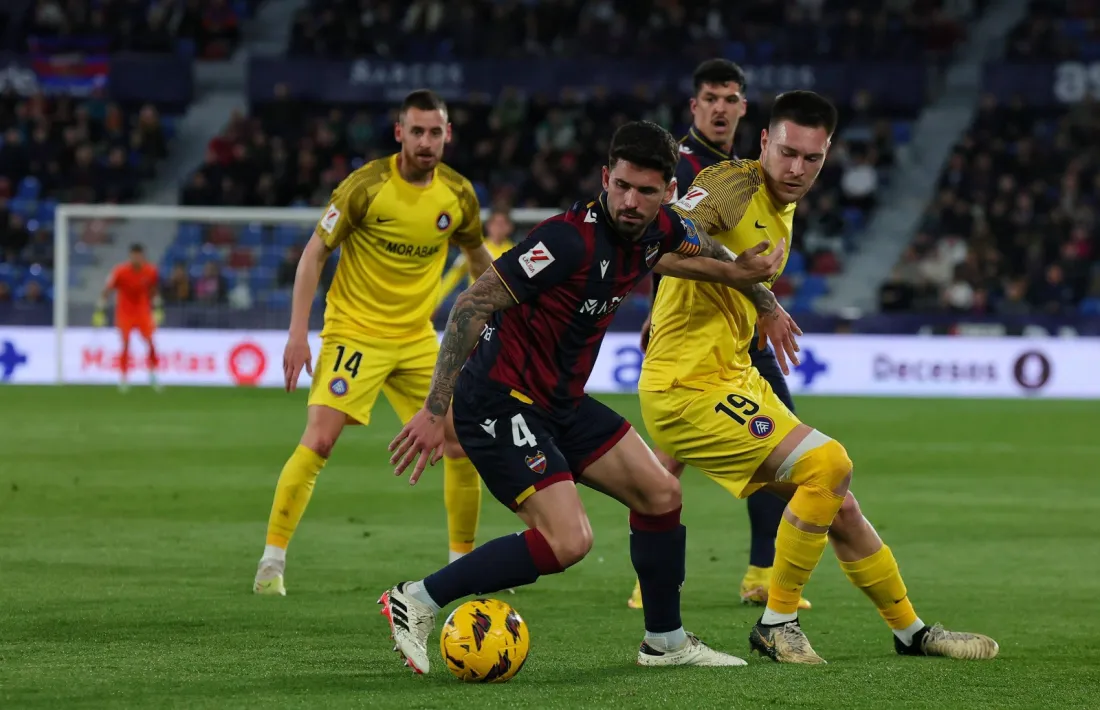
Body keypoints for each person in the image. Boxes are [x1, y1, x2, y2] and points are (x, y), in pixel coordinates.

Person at [377, 120, 793, 673]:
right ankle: (417, 598)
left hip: (561, 402)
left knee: (661, 493)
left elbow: (704, 248)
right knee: (569, 540)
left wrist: (756, 290)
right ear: (605, 177)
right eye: (621, 185)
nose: (630, 200)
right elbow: (471, 306)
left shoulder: (659, 229)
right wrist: (435, 411)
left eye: (646, 191)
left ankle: (665, 642)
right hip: (501, 401)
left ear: (667, 192)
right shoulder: (566, 239)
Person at [640, 90, 999, 663]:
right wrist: (740, 279)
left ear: (827, 154)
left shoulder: (784, 201)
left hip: (730, 376)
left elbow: (727, 270)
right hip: (686, 389)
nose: (797, 169)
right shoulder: (731, 184)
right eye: (786, 153)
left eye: (812, 158)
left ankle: (911, 631)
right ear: (764, 142)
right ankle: (776, 623)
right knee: (829, 462)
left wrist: (761, 300)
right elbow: (651, 243)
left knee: (837, 500)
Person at [253, 89, 494, 596]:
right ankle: (271, 563)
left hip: (416, 338)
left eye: (435, 132)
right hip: (354, 332)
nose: (426, 142)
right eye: (417, 131)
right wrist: (298, 333)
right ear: (399, 133)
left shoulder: (458, 195)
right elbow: (314, 254)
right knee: (319, 439)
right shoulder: (364, 187)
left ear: (447, 135)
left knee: (460, 440)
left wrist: (493, 319)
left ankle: (462, 567)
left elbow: (477, 260)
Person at [630, 58, 808, 611]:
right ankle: (652, 573)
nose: (720, 108)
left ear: (744, 108)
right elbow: (660, 240)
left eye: (730, 98)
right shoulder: (682, 165)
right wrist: (657, 311)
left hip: (743, 331)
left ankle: (759, 572)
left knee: (778, 445)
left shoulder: (753, 168)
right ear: (694, 106)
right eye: (711, 98)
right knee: (674, 460)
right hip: (695, 335)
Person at [94, 243, 162, 393]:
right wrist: (100, 309)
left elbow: (153, 289)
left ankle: (153, 374)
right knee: (125, 344)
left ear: (142, 256)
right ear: (130, 256)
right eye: (134, 255)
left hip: (143, 311)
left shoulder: (150, 271)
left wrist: (157, 307)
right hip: (125, 312)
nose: (136, 258)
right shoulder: (120, 271)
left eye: (139, 255)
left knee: (150, 342)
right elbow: (108, 289)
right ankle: (124, 378)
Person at [436, 208, 515, 310]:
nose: (498, 227)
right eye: (495, 223)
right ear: (488, 226)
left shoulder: (514, 252)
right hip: (476, 309)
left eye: (503, 224)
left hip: (503, 310)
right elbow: (454, 274)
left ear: (510, 227)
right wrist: (436, 303)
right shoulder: (476, 248)